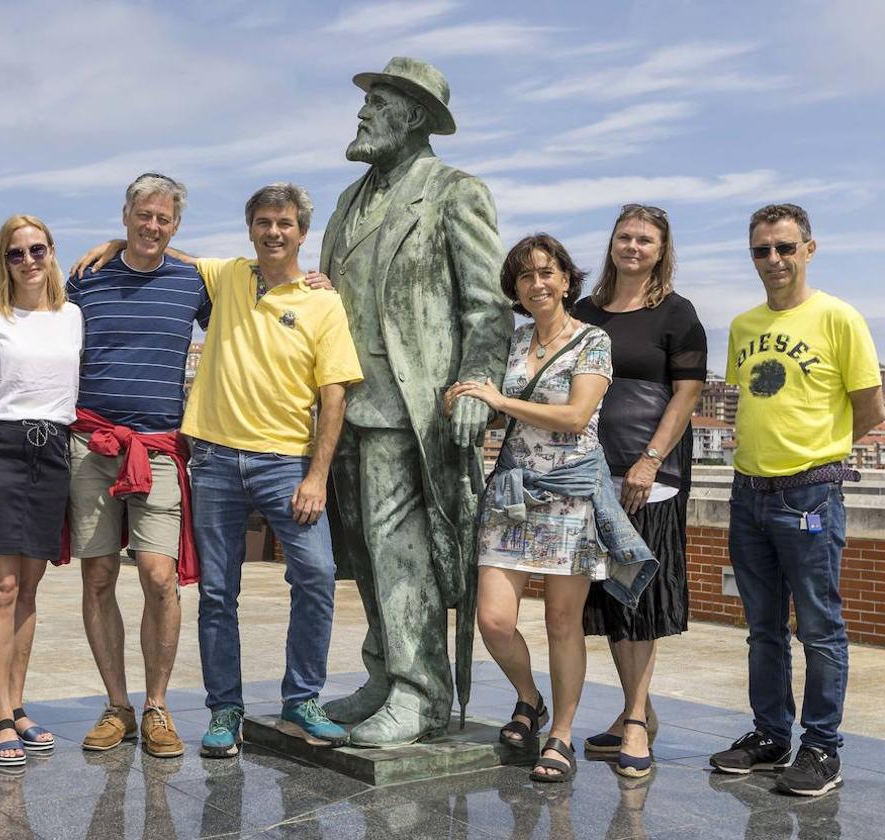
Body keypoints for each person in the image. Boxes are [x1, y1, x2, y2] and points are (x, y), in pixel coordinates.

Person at [318, 57, 512, 747]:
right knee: (365, 554)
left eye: (380, 102)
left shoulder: (455, 192)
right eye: (367, 100)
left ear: (417, 117)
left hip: (411, 405)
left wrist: (475, 387)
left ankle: (421, 693)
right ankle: (384, 673)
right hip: (343, 407)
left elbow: (488, 307)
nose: (364, 113)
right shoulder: (347, 200)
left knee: (401, 552)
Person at [446, 233, 655, 784]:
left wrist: (498, 399)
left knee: (563, 623)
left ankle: (559, 734)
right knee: (493, 619)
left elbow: (575, 415)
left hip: (570, 494)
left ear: (566, 279)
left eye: (546, 272)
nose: (536, 283)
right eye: (524, 276)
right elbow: (501, 417)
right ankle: (528, 698)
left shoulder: (592, 341)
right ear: (514, 288)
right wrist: (470, 402)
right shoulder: (511, 342)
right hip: (513, 494)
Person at [181, 183, 363, 757]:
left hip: (285, 463)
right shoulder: (228, 274)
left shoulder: (323, 302)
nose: (273, 232)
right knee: (217, 591)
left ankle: (301, 700)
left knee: (315, 574)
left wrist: (317, 474)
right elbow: (164, 251)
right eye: (263, 222)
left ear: (302, 233)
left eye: (284, 223)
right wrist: (114, 240)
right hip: (212, 456)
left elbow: (333, 396)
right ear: (250, 228)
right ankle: (224, 710)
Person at [709, 203, 883, 796]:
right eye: (762, 250)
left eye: (785, 248)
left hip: (810, 491)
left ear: (808, 249)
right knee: (761, 627)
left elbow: (870, 405)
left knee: (820, 627)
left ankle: (822, 749)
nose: (774, 260)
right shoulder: (742, 326)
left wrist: (826, 455)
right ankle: (770, 735)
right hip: (746, 492)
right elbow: (747, 403)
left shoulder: (838, 317)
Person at [66, 173, 209, 758]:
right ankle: (117, 705)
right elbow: (34, 313)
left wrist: (315, 281)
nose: (152, 226)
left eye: (164, 219)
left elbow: (258, 299)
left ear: (175, 226)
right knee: (97, 576)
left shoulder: (192, 282)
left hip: (160, 447)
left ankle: (156, 706)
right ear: (124, 216)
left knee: (157, 575)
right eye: (143, 215)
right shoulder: (86, 278)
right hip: (91, 443)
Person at [0, 215, 82, 767]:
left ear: (51, 253)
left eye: (37, 250)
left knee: (29, 589)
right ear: (3, 260)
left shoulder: (73, 315)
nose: (28, 261)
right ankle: (0, 714)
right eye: (15, 253)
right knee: (0, 588)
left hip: (52, 452)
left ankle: (19, 705)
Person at [576, 204, 706, 777]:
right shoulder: (584, 312)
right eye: (625, 237)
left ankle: (632, 720)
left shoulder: (676, 313)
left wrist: (650, 461)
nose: (633, 246)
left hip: (646, 477)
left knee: (638, 597)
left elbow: (686, 396)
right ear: (611, 244)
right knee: (606, 598)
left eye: (645, 240)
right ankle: (640, 709)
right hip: (588, 472)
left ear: (661, 249)